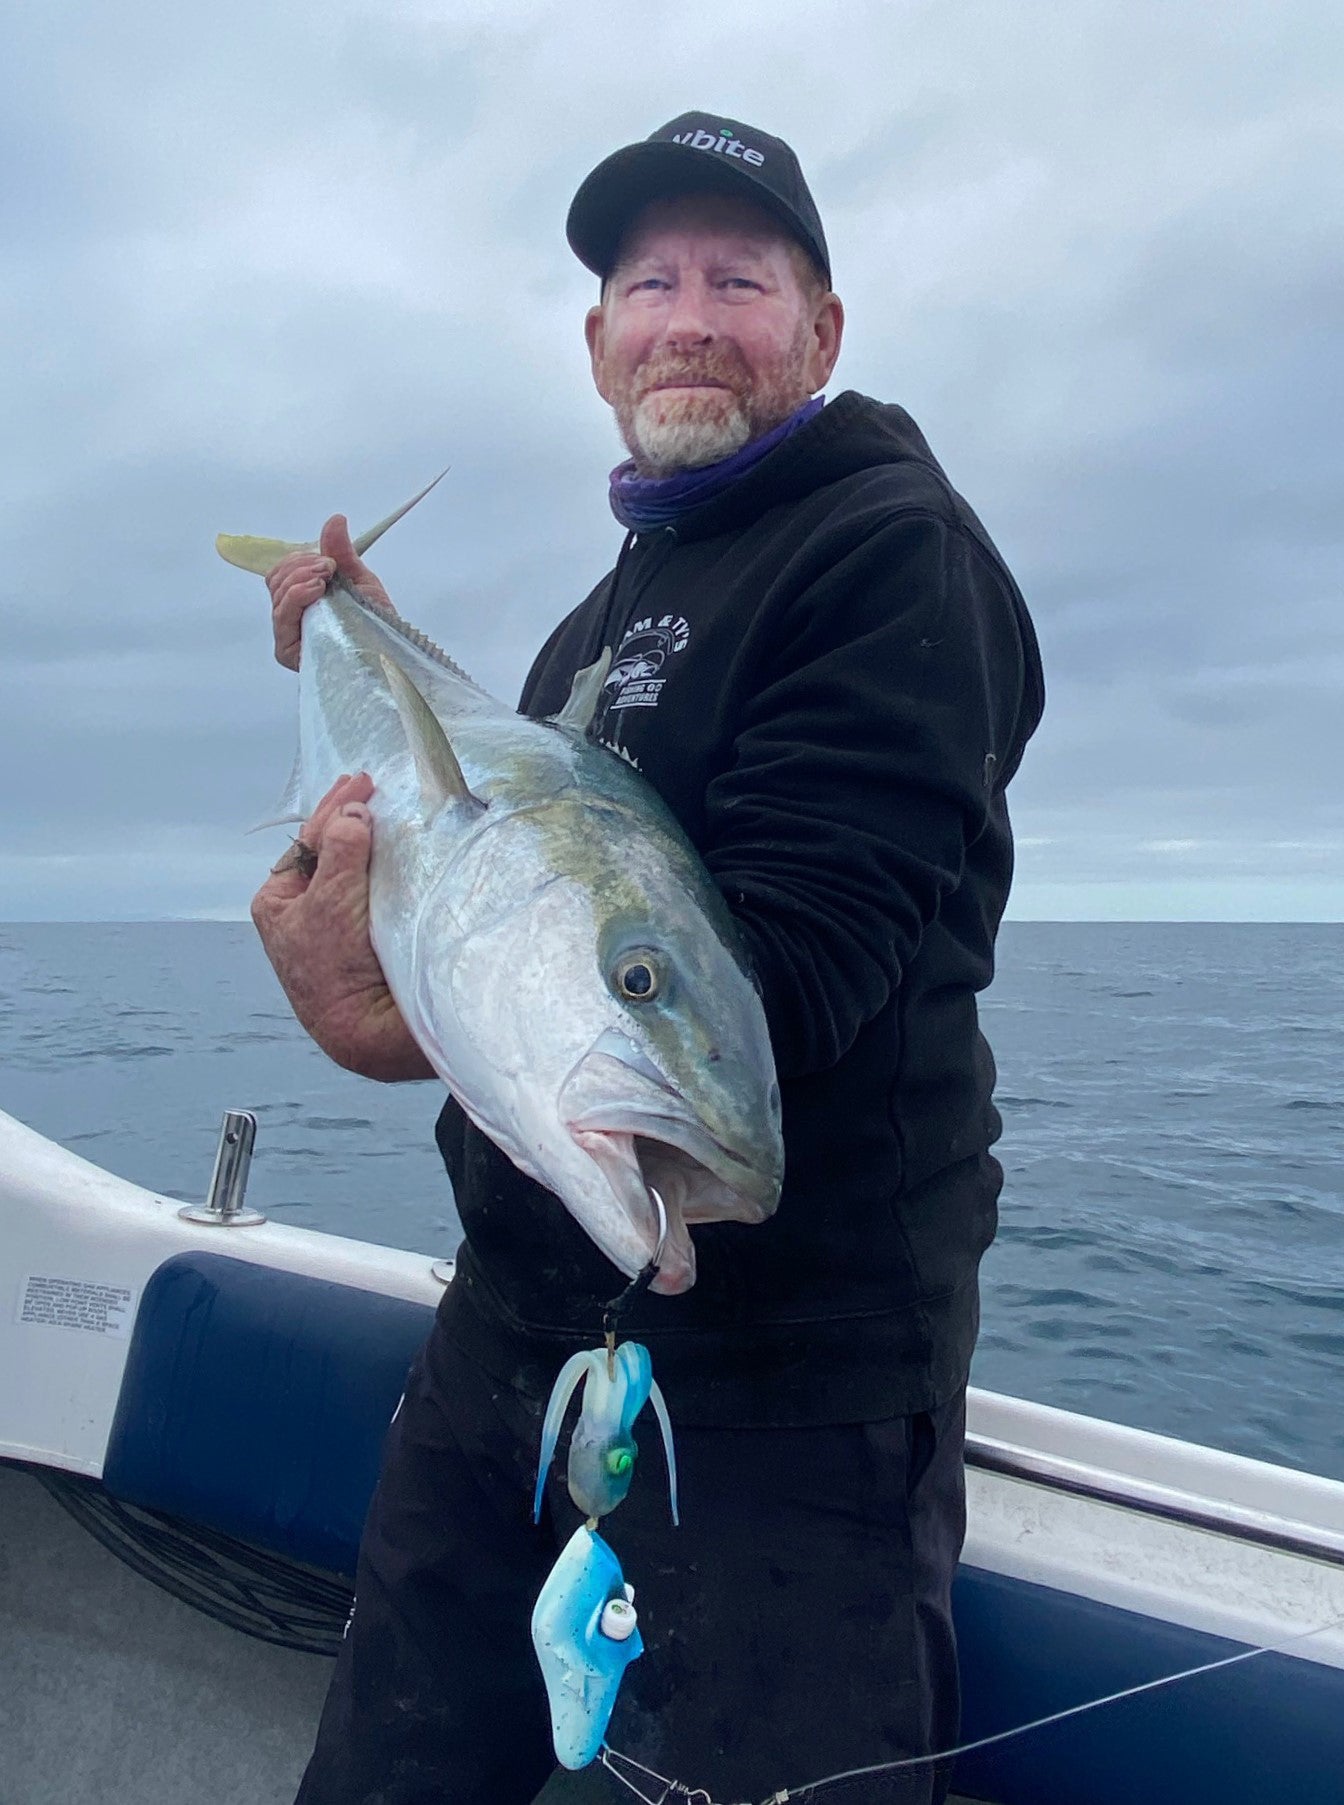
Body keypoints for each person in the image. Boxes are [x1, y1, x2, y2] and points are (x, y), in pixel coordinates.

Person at [252, 111, 1044, 1805]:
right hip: (516, 1326)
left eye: (739, 281)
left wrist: (382, 1025)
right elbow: (498, 880)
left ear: (821, 329)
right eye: (649, 283)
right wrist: (364, 648)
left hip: (789, 1395)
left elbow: (797, 972)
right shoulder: (605, 614)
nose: (689, 318)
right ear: (597, 339)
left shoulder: (890, 552)